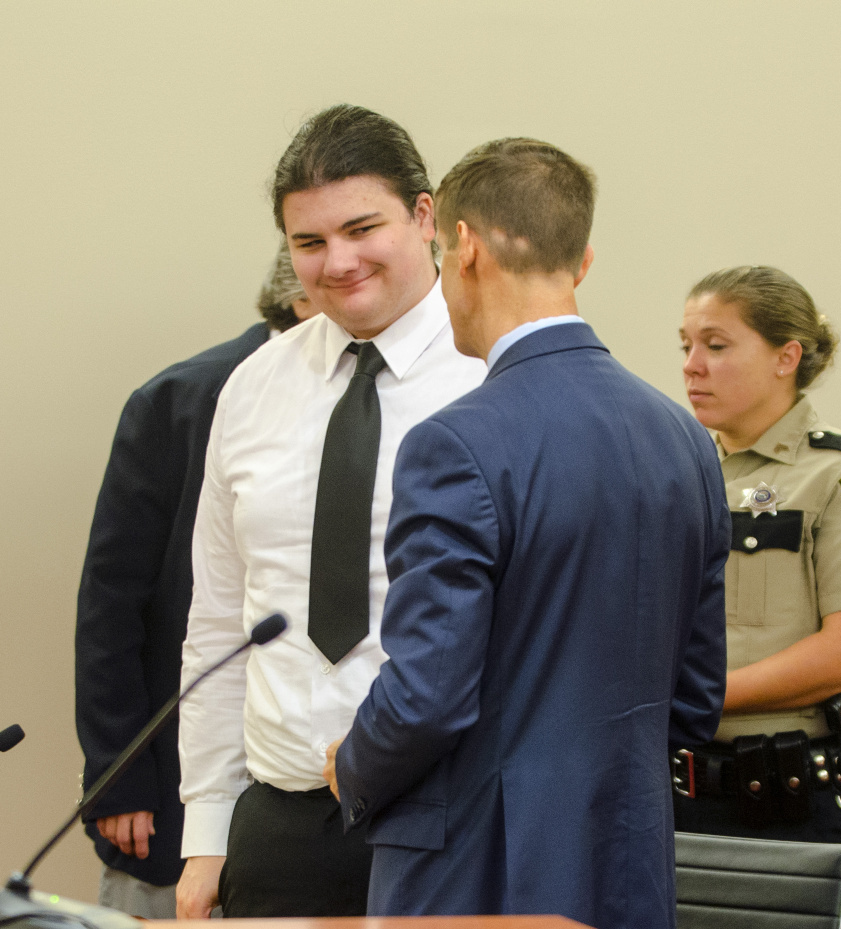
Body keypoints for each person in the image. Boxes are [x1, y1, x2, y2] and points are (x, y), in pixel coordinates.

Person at [326, 138, 730, 929]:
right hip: (630, 859)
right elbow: (696, 697)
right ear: (580, 261)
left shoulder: (457, 442)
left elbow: (426, 698)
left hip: (476, 871)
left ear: (465, 246)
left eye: (441, 257)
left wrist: (353, 764)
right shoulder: (683, 438)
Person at [175, 105, 486, 920]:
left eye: (361, 228)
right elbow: (216, 621)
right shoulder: (253, 386)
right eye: (309, 243)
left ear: (426, 217)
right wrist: (208, 829)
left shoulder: (495, 379)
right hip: (283, 825)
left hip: (455, 819)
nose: (338, 262)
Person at [674, 265, 841, 917]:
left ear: (787, 355)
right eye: (685, 346)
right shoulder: (679, 473)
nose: (693, 366)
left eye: (717, 345)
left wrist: (694, 698)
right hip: (674, 794)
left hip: (791, 804)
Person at [75, 241, 315, 919]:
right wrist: (116, 777)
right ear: (299, 295)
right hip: (173, 779)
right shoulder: (178, 401)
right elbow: (110, 607)